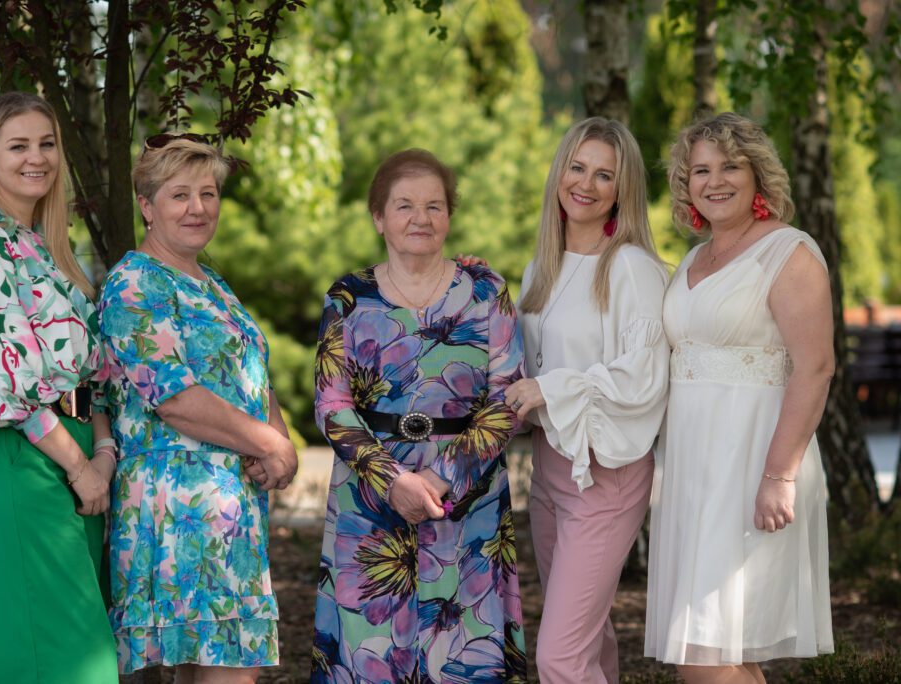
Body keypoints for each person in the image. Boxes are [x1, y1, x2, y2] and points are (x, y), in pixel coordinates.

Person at [310, 148, 527, 682]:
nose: (420, 218)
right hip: (369, 498)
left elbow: (507, 398)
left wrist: (440, 477)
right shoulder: (348, 298)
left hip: (467, 499)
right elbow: (332, 405)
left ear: (449, 216)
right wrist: (393, 481)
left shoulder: (487, 292)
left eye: (434, 206)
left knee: (460, 653)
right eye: (404, 205)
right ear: (378, 217)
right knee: (371, 652)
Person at [0, 92, 118, 683]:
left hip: (77, 452)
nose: (37, 157)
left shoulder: (47, 247)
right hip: (22, 455)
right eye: (18, 146)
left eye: (47, 143)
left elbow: (93, 372)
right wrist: (79, 467)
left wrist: (103, 452)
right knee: (68, 662)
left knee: (81, 654)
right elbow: (3, 383)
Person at [98, 134, 297, 683]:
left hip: (227, 503)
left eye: (208, 194)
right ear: (147, 206)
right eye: (180, 195)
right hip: (178, 503)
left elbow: (251, 376)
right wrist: (270, 444)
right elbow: (175, 399)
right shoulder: (136, 282)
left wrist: (277, 439)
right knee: (232, 673)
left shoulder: (211, 283)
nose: (198, 208)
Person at [645, 112, 834, 682]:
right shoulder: (694, 259)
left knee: (700, 656)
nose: (715, 180)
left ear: (757, 175)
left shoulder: (787, 251)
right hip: (692, 470)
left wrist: (779, 475)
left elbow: (815, 367)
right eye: (700, 170)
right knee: (725, 650)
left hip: (754, 462)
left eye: (730, 165)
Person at [502, 118, 670, 683]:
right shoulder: (541, 268)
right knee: (587, 642)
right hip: (549, 471)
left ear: (623, 190)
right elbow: (525, 366)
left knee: (559, 657)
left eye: (605, 175)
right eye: (577, 167)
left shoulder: (632, 268)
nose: (586, 184)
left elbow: (643, 378)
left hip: (605, 472)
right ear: (559, 173)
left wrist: (548, 390)